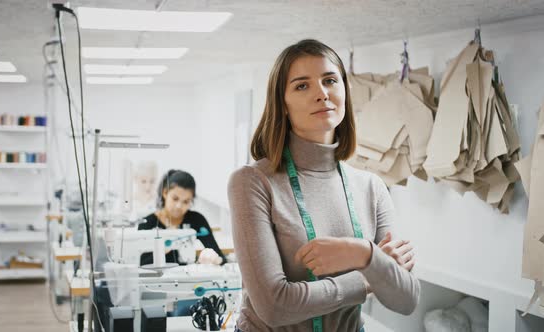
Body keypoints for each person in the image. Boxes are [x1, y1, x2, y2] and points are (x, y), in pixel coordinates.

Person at [227, 39, 420, 332]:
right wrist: (369, 275)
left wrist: (364, 254)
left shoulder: (371, 187)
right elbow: (274, 307)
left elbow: (405, 300)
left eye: (330, 80)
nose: (321, 93)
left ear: (344, 91)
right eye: (302, 86)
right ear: (283, 104)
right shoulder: (253, 183)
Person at [138, 169, 227, 266]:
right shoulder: (146, 223)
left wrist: (212, 258)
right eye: (175, 199)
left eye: (186, 201)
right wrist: (160, 252)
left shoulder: (197, 220)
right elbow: (141, 264)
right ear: (165, 193)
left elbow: (220, 258)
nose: (179, 206)